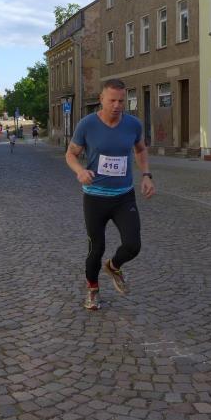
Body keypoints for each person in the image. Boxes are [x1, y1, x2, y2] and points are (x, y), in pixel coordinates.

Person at [65, 78, 155, 311]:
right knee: (96, 248)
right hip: (95, 197)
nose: (117, 105)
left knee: (133, 245)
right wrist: (80, 171)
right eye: (112, 100)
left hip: (124, 196)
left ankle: (113, 266)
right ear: (101, 99)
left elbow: (141, 149)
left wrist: (146, 175)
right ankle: (92, 289)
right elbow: (71, 154)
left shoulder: (133, 125)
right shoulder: (87, 124)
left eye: (121, 101)